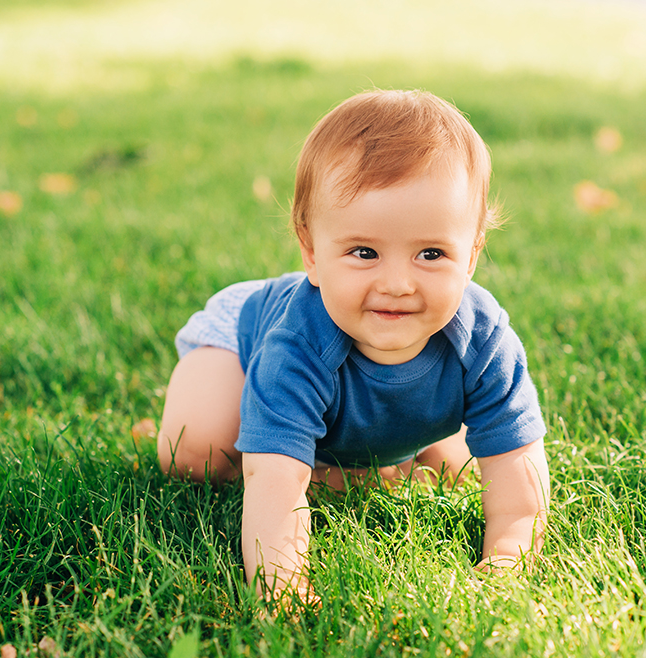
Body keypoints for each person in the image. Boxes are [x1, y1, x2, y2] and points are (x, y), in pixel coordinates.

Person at [158, 89, 550, 601]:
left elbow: (519, 482)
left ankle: (364, 461)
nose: (397, 284)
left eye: (431, 253)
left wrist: (505, 566)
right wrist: (284, 590)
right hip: (242, 340)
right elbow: (272, 485)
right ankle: (327, 458)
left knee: (458, 468)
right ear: (312, 252)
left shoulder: (484, 341)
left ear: (472, 254)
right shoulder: (295, 345)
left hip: (367, 386)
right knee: (196, 454)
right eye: (364, 252)